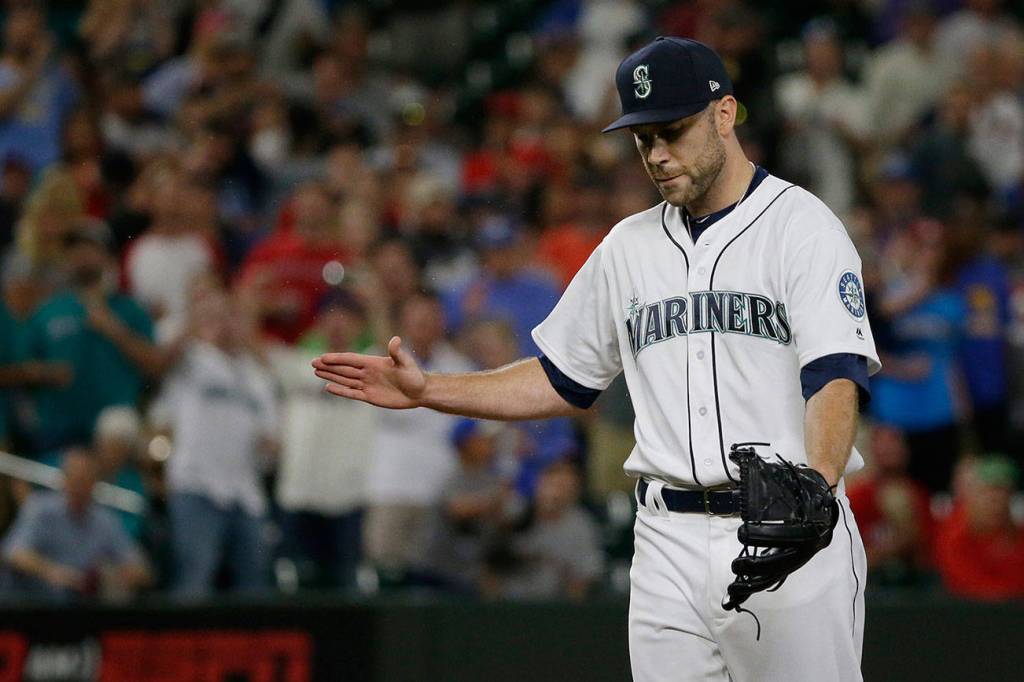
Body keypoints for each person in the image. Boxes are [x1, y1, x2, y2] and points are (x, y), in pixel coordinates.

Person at [315, 37, 878, 681]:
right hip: (666, 542)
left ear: (724, 114)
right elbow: (562, 379)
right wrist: (430, 390)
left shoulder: (802, 227)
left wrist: (817, 485)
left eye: (673, 131)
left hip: (786, 528)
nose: (657, 154)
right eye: (643, 139)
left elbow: (835, 376)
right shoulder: (626, 247)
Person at [0, 448, 151, 602]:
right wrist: (52, 572)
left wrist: (113, 576)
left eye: (84, 480)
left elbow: (141, 570)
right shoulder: (39, 508)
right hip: (32, 604)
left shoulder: (105, 520)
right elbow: (14, 554)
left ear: (95, 483)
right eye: (74, 479)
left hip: (81, 607)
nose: (79, 487)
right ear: (63, 479)